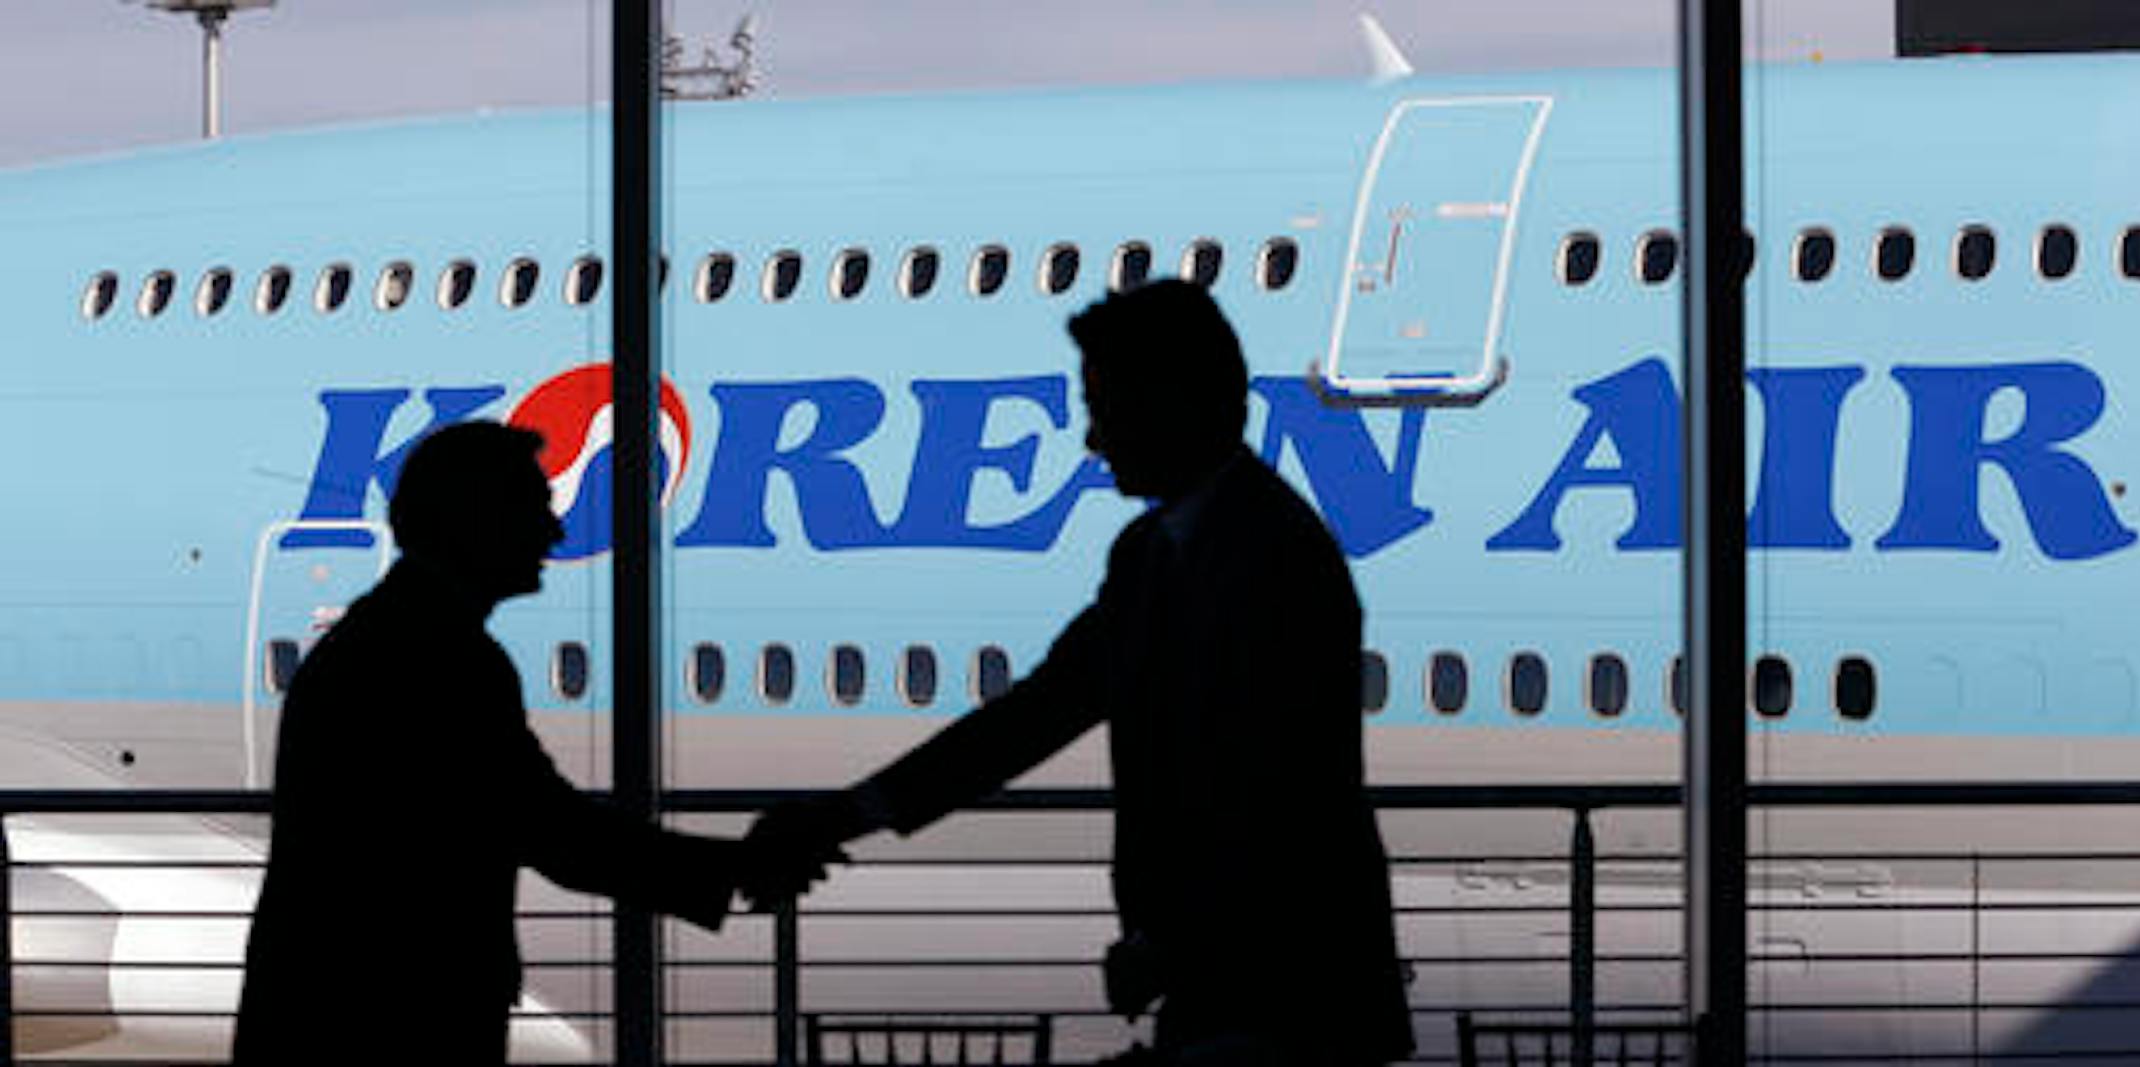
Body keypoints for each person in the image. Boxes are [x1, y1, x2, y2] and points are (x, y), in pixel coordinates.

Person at [750, 280, 1414, 1065]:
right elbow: (1034, 714)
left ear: (1172, 404)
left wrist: (1170, 940)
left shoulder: (1277, 558)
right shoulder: (1152, 556)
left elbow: (1276, 793)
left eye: (1106, 405)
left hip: (1297, 997)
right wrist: (845, 815)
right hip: (1214, 989)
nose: (1094, 439)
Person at [233, 421, 826, 1065]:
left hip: (335, 1011)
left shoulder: (388, 641)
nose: (555, 531)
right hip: (388, 1020)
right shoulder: (440, 659)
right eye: (533, 508)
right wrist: (738, 866)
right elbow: (553, 830)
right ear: (474, 522)